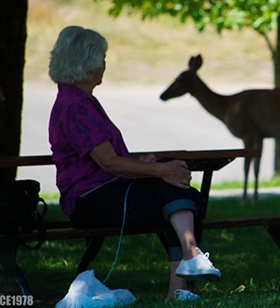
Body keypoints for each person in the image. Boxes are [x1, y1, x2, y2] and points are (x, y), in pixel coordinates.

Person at [48, 25, 221, 302]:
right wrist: (159, 169)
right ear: (88, 63)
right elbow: (108, 163)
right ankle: (185, 275)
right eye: (102, 58)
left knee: (176, 196)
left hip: (107, 193)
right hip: (90, 202)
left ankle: (185, 274)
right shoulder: (75, 105)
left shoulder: (82, 100)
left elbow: (109, 159)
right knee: (179, 192)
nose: (105, 64)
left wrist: (147, 164)